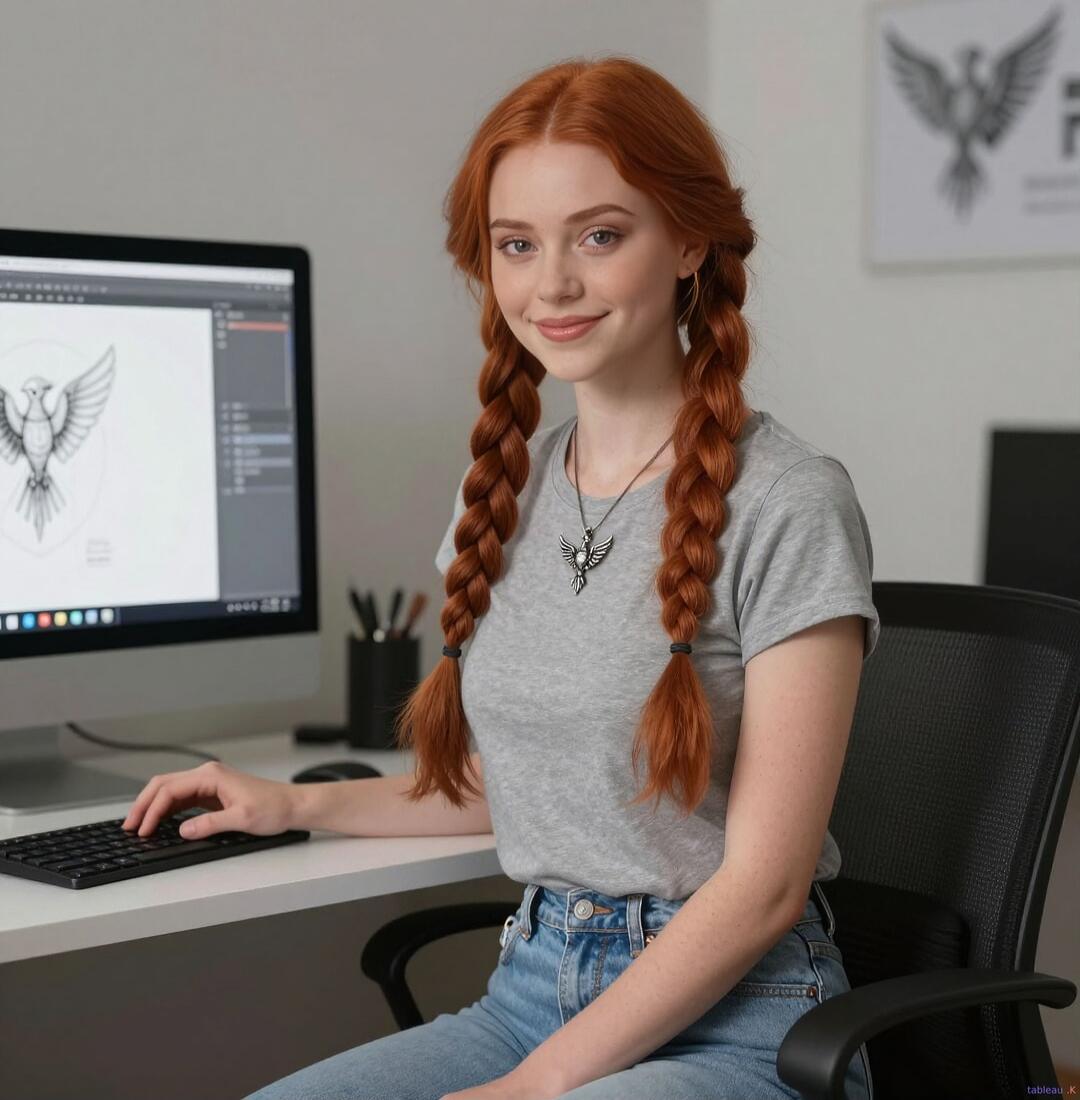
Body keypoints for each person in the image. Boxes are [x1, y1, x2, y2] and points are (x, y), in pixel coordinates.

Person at [124, 55, 878, 1100]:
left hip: (745, 1019)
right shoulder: (505, 494)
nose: (550, 284)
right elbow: (532, 789)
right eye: (516, 244)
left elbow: (763, 886)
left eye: (600, 235)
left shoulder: (789, 498)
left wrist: (539, 1085)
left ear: (691, 241)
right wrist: (296, 805)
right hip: (530, 992)